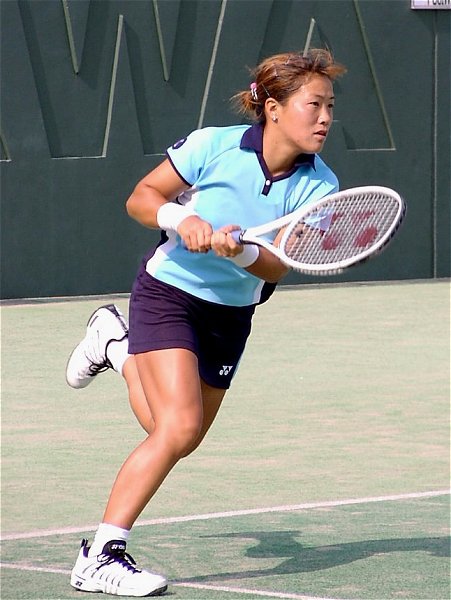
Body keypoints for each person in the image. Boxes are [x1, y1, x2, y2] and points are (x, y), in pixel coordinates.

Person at [66, 48, 346, 596]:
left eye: (330, 106)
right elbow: (141, 198)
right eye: (314, 105)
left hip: (232, 314)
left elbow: (278, 267)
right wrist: (182, 216)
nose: (325, 118)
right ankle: (100, 556)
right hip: (169, 292)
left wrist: (241, 252)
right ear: (273, 108)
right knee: (178, 428)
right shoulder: (213, 145)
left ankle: (115, 345)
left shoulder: (320, 186)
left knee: (174, 433)